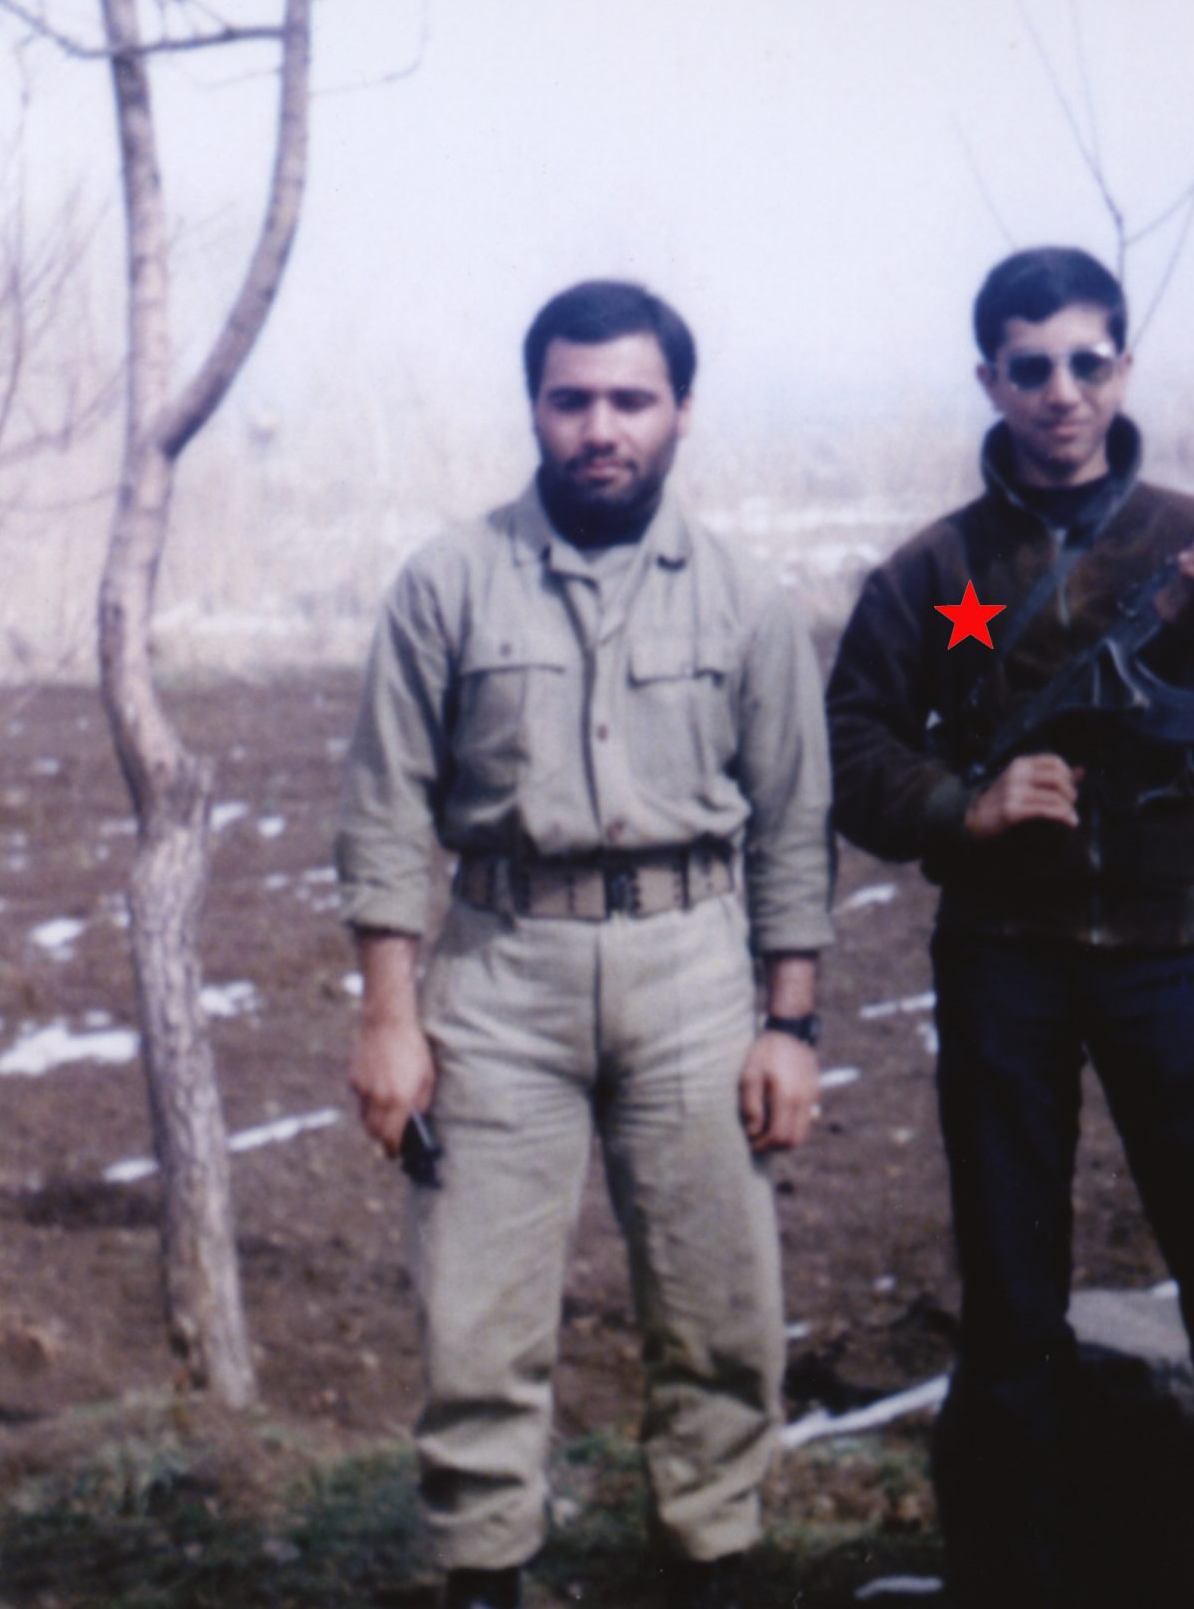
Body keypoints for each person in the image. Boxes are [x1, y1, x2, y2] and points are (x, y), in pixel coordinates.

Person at [824, 247, 1194, 1607]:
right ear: (989, 379)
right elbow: (856, 751)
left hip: (1176, 961)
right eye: (1031, 367)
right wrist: (967, 806)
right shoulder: (934, 572)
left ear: (1123, 368)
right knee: (1012, 1318)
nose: (1061, 393)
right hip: (1004, 969)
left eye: (1086, 362)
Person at [337, 280, 834, 1609]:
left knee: (720, 1307)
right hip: (501, 972)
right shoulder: (447, 584)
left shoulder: (746, 600)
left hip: (693, 972)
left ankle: (711, 1558)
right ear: (535, 408)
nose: (600, 428)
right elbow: (385, 811)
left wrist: (790, 1026)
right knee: (476, 1315)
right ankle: (484, 1569)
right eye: (572, 400)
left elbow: (794, 826)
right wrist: (389, 1017)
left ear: (681, 411)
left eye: (631, 399)